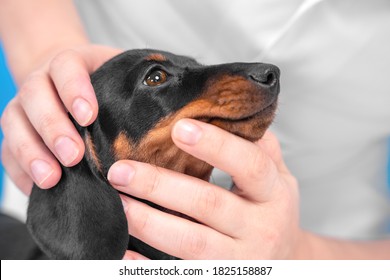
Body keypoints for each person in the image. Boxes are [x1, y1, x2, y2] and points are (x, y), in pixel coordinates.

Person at [1, 0, 390, 259]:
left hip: (341, 240)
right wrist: (51, 57)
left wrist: (298, 253)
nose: (263, 74)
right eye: (156, 78)